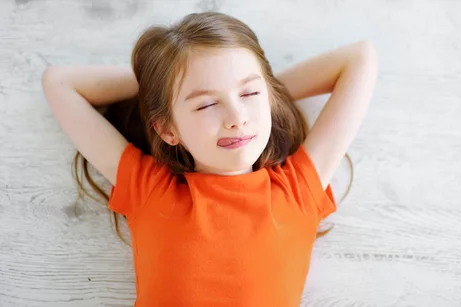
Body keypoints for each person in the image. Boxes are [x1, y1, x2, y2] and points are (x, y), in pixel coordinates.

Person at [41, 11, 377, 307]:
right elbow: (58, 82)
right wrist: (164, 80)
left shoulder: (297, 190)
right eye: (205, 104)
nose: (237, 117)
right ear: (168, 129)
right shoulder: (150, 190)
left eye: (249, 94)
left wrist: (260, 89)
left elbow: (360, 58)